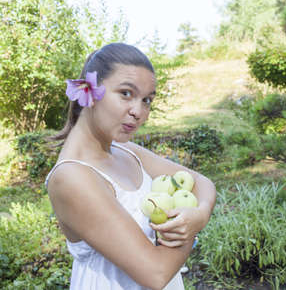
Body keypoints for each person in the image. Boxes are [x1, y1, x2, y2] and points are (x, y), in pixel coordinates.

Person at [45, 43, 216, 290]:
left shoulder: (127, 152)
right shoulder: (71, 177)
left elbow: (202, 183)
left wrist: (198, 216)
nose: (139, 111)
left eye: (147, 100)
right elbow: (155, 273)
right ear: (90, 92)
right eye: (126, 93)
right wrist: (189, 234)